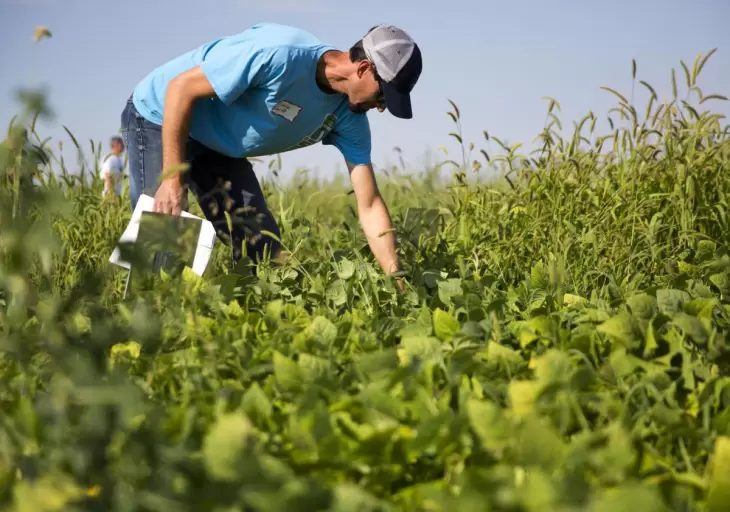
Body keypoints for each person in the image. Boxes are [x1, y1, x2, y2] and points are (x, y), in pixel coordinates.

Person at [119, 22, 422, 280]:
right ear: (365, 68)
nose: (381, 107)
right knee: (165, 228)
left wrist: (396, 278)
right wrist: (172, 180)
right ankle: (144, 326)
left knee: (263, 248)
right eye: (383, 95)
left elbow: (369, 205)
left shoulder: (349, 117)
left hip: (218, 142)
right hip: (161, 114)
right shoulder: (280, 56)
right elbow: (180, 89)